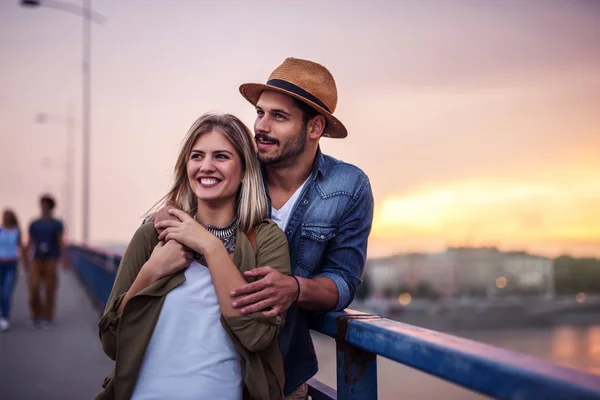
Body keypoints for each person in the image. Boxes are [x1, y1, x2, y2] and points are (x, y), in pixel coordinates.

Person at [96, 114, 291, 400]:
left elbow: (256, 336)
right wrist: (150, 272)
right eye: (196, 156)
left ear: (245, 169)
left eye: (221, 156)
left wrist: (211, 247)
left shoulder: (266, 240)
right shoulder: (152, 237)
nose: (206, 167)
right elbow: (112, 343)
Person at [232, 57, 375, 398]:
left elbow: (342, 282)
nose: (261, 127)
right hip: (210, 358)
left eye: (278, 116)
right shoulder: (234, 167)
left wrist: (294, 288)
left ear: (315, 128)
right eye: (260, 112)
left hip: (282, 371)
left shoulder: (349, 186)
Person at [27, 194, 66, 329]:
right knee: (34, 287)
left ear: (50, 207)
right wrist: (26, 257)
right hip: (37, 259)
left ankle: (48, 317)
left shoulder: (56, 223)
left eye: (45, 205)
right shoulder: (34, 223)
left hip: (51, 259)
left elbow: (61, 241)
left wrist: (64, 258)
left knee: (50, 288)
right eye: (41, 204)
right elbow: (30, 241)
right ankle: (36, 315)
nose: (42, 207)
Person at [0, 209, 27, 331]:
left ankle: (5, 318)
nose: (4, 218)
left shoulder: (17, 231)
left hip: (11, 264)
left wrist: (25, 263)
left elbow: (21, 247)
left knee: (6, 292)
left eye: (7, 216)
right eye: (3, 216)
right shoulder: (0, 230)